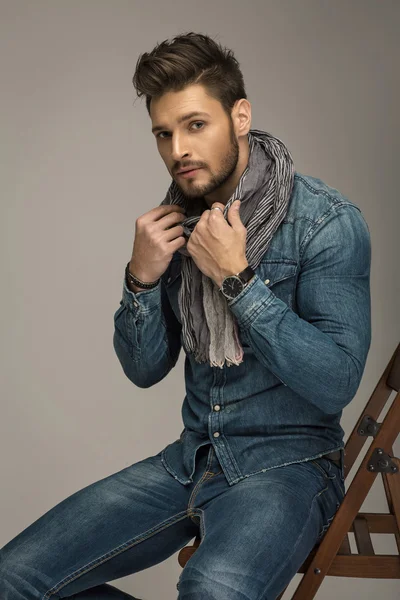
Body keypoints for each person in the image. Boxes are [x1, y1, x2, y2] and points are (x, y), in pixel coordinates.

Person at [0, 31, 371, 600]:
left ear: (240, 116)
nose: (178, 150)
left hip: (289, 468)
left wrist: (238, 281)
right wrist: (140, 277)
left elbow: (335, 381)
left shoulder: (325, 222)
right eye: (164, 133)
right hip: (191, 458)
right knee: (12, 578)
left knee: (212, 592)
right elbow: (145, 369)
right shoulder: (178, 224)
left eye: (196, 125)